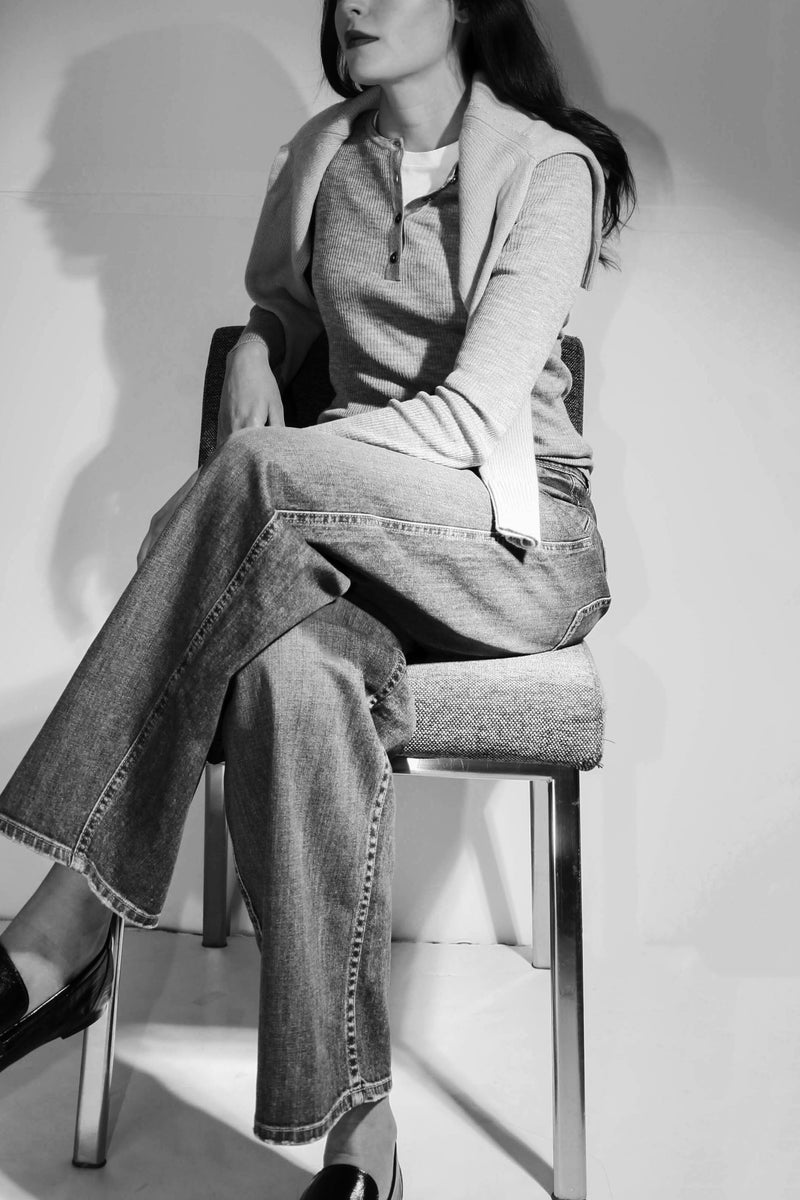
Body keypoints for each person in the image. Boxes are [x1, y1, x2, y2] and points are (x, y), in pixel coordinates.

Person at [0, 1, 635, 1196]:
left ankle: (61, 929)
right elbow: (291, 310)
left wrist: (255, 487)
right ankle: (362, 1136)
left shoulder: (553, 170)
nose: (355, 2)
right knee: (289, 671)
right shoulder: (321, 157)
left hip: (505, 541)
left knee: (248, 483)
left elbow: (465, 419)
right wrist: (258, 339)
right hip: (335, 537)